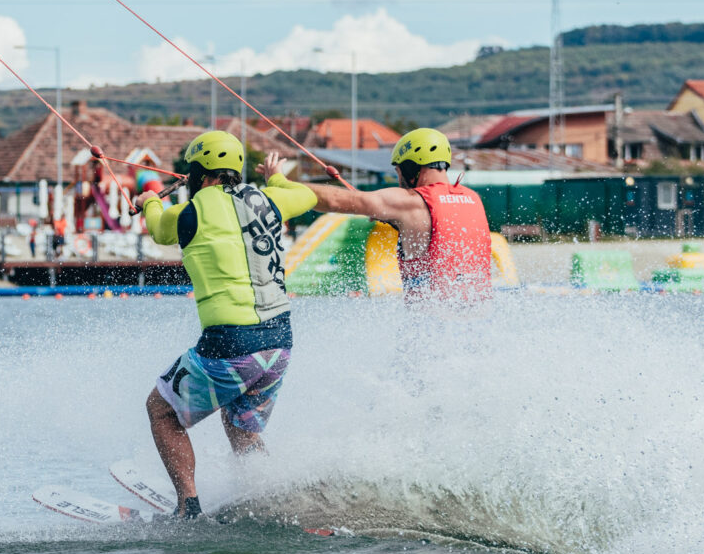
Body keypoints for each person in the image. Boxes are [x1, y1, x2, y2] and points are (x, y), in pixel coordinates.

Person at [133, 130, 317, 519]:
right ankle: (267, 498)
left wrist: (149, 200)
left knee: (162, 411)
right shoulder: (267, 198)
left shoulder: (189, 212)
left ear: (199, 173)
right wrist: (276, 179)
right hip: (279, 344)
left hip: (230, 345)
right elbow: (308, 196)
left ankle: (187, 506)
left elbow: (158, 228)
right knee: (242, 426)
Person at [287, 127, 491, 301]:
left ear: (412, 167)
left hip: (432, 331)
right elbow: (439, 232)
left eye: (399, 170)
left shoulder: (411, 201)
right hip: (476, 329)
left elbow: (335, 200)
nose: (399, 177)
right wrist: (398, 221)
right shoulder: (473, 199)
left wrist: (282, 185)